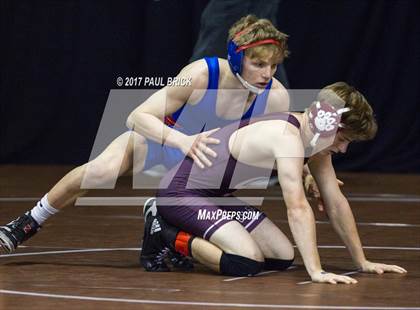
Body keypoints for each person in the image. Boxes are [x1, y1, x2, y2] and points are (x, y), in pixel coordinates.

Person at [0, 15, 296, 255]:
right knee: (101, 171)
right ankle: (28, 222)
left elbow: (282, 145)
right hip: (162, 143)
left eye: (273, 65)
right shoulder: (200, 74)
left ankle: (163, 221)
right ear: (236, 57)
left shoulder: (276, 97)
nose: (267, 73)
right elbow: (137, 116)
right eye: (258, 64)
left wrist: (306, 174)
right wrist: (183, 140)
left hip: (201, 166)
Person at [140, 82, 408, 284]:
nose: (343, 149)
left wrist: (362, 261)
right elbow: (298, 208)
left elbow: (335, 202)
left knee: (281, 256)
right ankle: (163, 230)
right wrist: (316, 271)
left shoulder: (314, 143)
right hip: (180, 193)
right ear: (326, 124)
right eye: (343, 139)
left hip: (212, 196)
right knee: (246, 260)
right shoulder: (286, 137)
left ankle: (184, 230)